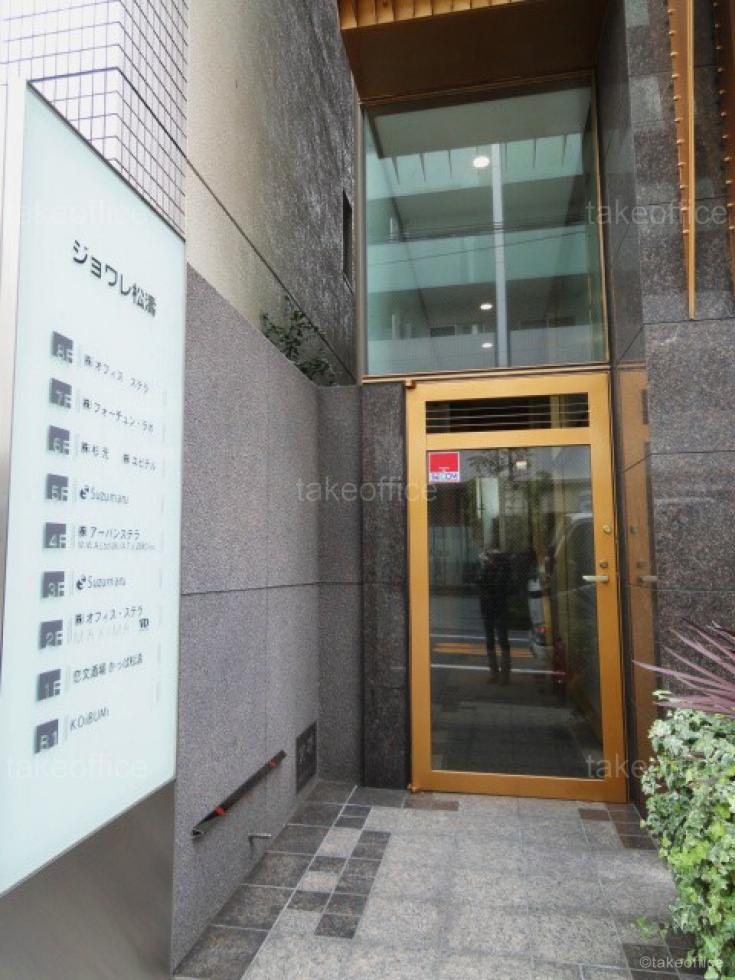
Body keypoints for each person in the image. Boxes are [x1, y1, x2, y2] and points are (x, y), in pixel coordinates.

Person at [476, 545, 512, 685]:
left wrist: (489, 570)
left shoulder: (503, 567)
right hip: (488, 607)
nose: (489, 558)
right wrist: (484, 569)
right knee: (490, 640)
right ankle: (494, 673)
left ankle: (504, 675)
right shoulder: (486, 568)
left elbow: (499, 587)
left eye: (491, 556)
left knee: (502, 639)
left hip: (499, 606)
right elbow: (479, 583)